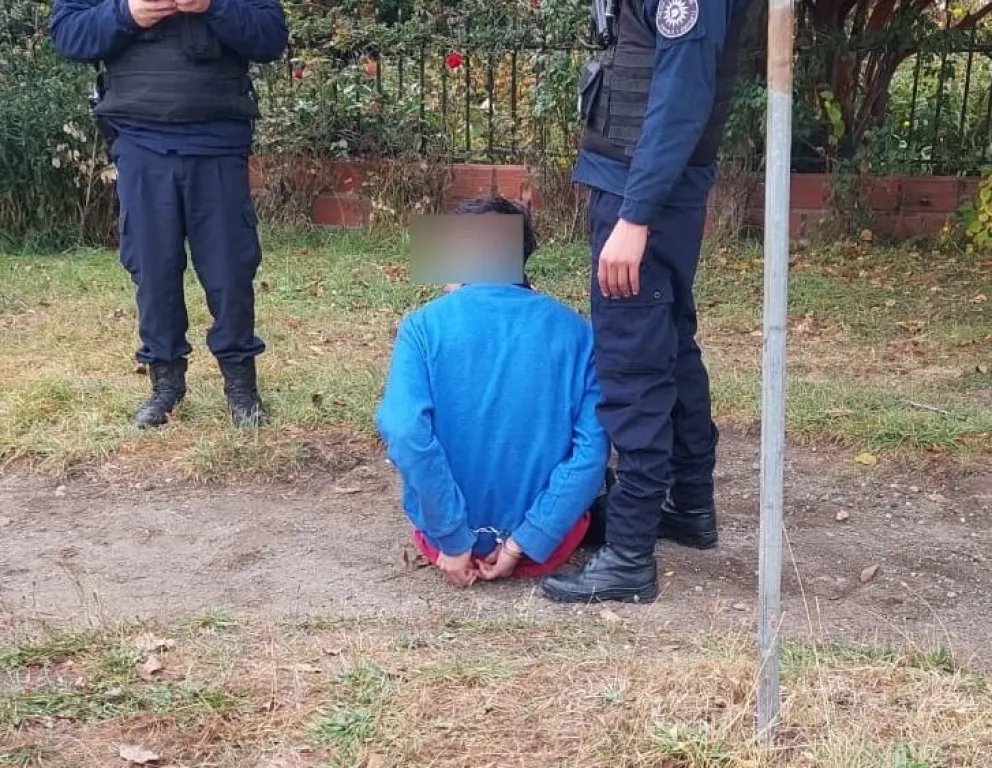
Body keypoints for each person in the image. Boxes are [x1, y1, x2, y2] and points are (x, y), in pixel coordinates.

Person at [540, 0, 753, 604]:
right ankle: (687, 504)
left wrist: (634, 218)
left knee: (632, 362)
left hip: (643, 195)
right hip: (642, 186)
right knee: (671, 345)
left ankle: (629, 557)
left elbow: (683, 96)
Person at [50, 0, 289, 428]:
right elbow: (68, 34)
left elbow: (270, 36)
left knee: (230, 270)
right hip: (139, 140)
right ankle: (166, 386)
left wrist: (213, 7)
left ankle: (241, 390)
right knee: (153, 269)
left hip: (217, 139)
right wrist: (127, 13)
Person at [376, 197, 610, 588]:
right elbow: (592, 451)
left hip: (441, 546)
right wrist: (523, 543)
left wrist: (452, 541)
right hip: (548, 548)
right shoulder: (579, 332)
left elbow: (404, 431)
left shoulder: (421, 327)